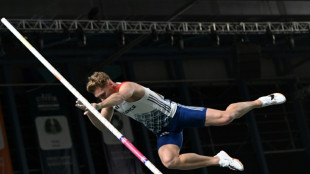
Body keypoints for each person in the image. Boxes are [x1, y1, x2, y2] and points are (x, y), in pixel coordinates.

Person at [75, 72, 286, 171]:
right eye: (99, 98)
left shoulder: (126, 88)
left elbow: (120, 98)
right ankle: (219, 159)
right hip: (164, 131)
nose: (101, 100)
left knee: (227, 117)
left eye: (103, 95)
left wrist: (99, 106)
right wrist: (93, 113)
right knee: (169, 162)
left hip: (178, 114)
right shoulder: (108, 102)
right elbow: (104, 127)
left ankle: (260, 101)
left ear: (111, 83)